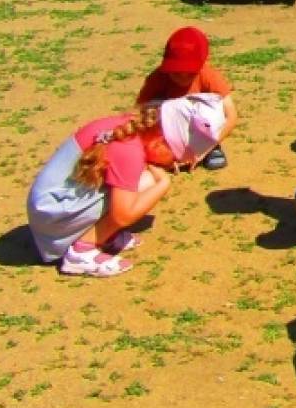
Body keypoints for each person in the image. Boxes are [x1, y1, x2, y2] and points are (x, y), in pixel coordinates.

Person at [27, 94, 227, 276]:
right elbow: (123, 215)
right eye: (174, 157)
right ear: (161, 142)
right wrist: (163, 185)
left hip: (51, 206)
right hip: (52, 215)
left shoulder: (130, 128)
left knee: (143, 177)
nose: (174, 164)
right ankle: (82, 251)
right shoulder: (129, 151)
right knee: (149, 182)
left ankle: (103, 235)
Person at [137, 26, 237, 171]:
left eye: (190, 73)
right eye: (176, 73)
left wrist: (208, 148)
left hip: (200, 132)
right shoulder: (157, 78)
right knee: (152, 110)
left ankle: (212, 148)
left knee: (215, 108)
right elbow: (139, 112)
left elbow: (231, 115)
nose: (183, 78)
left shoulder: (208, 75)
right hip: (166, 133)